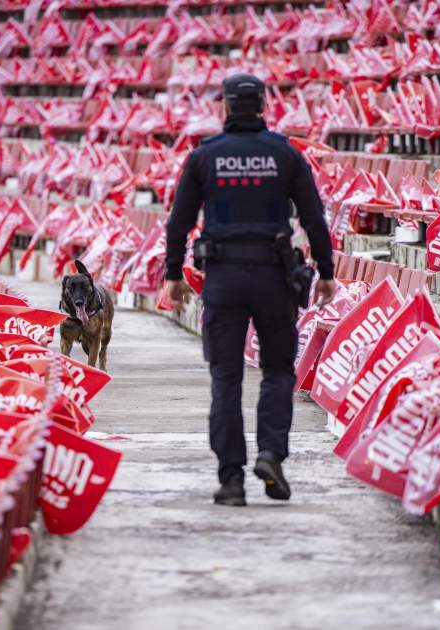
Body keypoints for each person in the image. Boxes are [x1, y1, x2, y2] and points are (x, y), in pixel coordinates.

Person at [163, 73, 336, 506]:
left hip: (222, 278)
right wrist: (327, 271)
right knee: (278, 371)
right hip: (274, 277)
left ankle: (231, 479)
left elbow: (179, 222)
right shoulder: (284, 153)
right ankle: (271, 453)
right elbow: (314, 217)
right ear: (262, 105)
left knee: (226, 377)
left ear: (224, 106)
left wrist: (173, 275)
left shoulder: (205, 156)